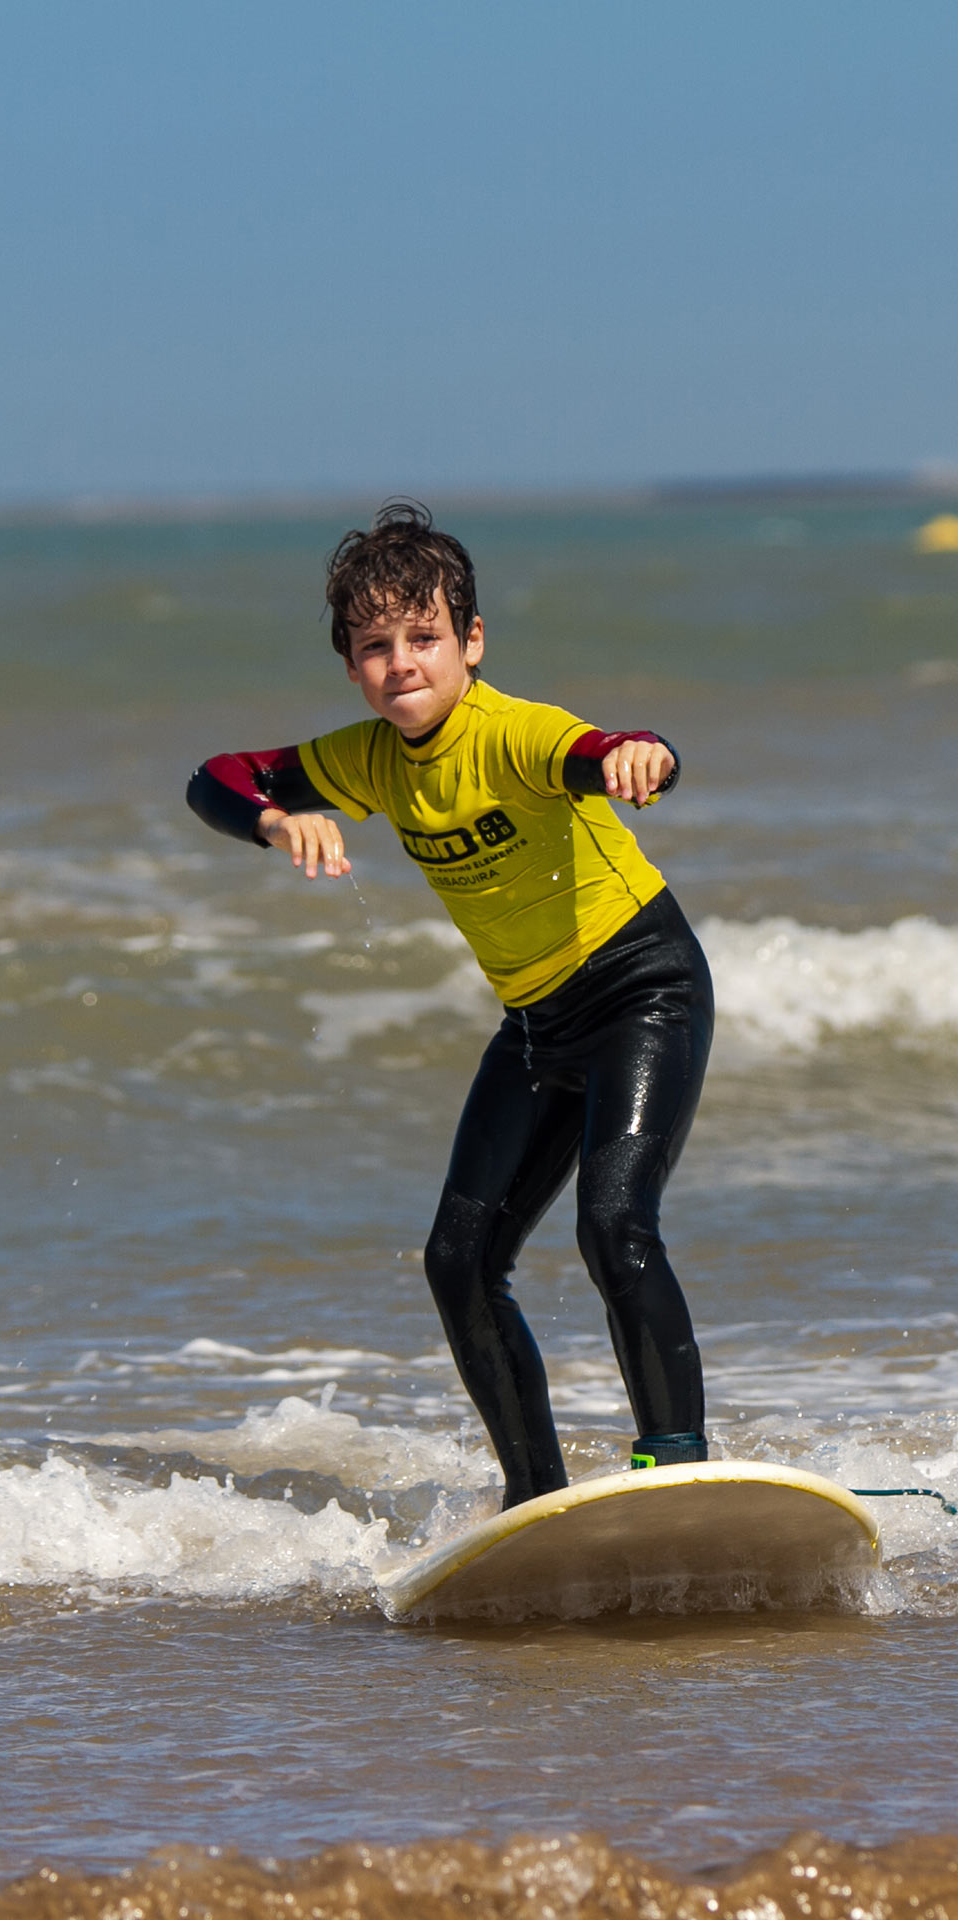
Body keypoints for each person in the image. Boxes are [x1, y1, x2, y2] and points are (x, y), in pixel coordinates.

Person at [187, 502, 713, 1508]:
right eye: (375, 646)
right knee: (458, 1261)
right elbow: (216, 777)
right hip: (538, 1025)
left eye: (423, 637)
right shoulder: (371, 761)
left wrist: (641, 756)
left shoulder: (509, 732)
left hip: (644, 990)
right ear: (350, 663)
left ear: (470, 642)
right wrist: (272, 820)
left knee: (615, 1223)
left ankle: (678, 1462)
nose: (401, 664)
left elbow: (602, 749)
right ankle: (535, 1498)